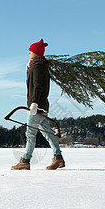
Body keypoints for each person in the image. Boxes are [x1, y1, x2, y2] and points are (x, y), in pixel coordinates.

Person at [11, 39, 65, 170]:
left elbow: (37, 86)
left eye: (31, 50)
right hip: (41, 106)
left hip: (37, 106)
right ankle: (58, 158)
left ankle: (25, 160)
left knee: (30, 134)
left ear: (36, 52)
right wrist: (29, 68)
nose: (29, 52)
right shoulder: (38, 65)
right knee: (47, 133)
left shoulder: (39, 66)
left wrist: (34, 103)